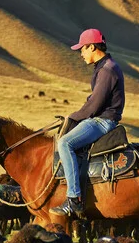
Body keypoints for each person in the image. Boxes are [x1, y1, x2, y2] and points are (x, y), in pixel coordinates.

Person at [50, 28, 125, 217]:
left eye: (82, 49)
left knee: (64, 143)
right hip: (100, 118)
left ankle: (73, 199)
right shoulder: (105, 67)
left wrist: (72, 118)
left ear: (92, 47)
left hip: (102, 121)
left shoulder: (107, 70)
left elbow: (95, 104)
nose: (81, 54)